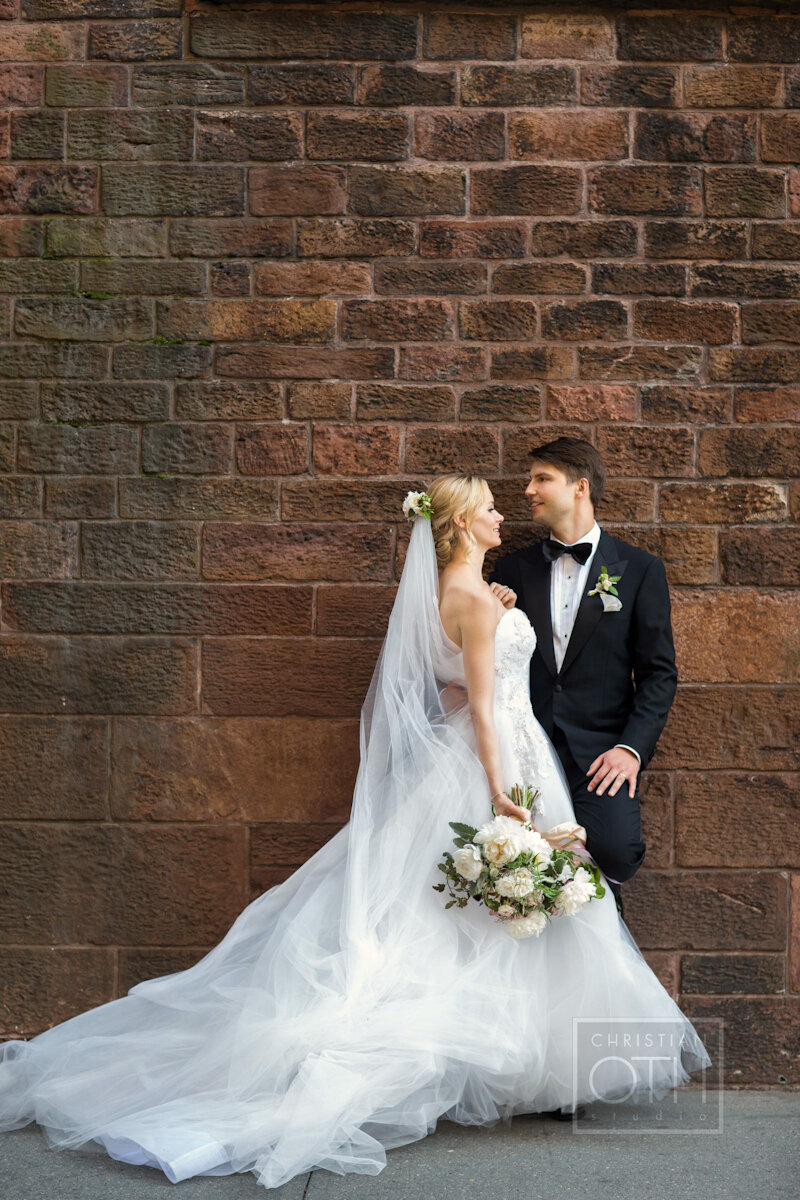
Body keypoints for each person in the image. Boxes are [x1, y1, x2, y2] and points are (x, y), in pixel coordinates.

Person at [0, 474, 711, 1190]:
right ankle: (517, 1068)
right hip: (500, 761)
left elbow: (453, 685)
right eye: (491, 507)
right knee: (474, 916)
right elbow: (486, 710)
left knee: (459, 913)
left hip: (480, 756)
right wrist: (500, 792)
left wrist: (496, 616)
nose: (504, 514)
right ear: (462, 523)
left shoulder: (454, 594)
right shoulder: (469, 596)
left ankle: (524, 1071)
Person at [489, 438, 678, 920]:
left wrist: (630, 749)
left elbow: (658, 674)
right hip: (527, 745)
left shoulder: (639, 570)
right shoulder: (513, 568)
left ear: (580, 487)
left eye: (541, 479)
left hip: (599, 754)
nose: (528, 490)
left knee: (616, 850)